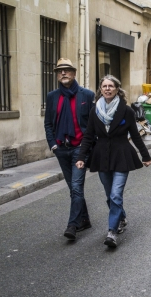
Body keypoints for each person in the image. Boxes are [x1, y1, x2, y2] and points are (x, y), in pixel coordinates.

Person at [76, 75, 151, 248]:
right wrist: (81, 157)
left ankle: (112, 231)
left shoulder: (127, 111)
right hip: (101, 156)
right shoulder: (95, 110)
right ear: (101, 89)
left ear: (117, 89)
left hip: (121, 155)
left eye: (111, 86)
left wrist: (145, 155)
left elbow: (135, 135)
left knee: (116, 194)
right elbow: (88, 136)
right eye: (104, 86)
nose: (108, 89)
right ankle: (121, 217)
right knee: (110, 194)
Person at [44, 58, 95, 241]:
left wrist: (88, 146)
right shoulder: (52, 96)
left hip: (80, 149)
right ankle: (85, 220)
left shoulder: (87, 95)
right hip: (62, 149)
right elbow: (48, 123)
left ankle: (72, 225)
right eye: (60, 71)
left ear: (74, 73)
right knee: (73, 188)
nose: (63, 73)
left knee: (76, 186)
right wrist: (53, 145)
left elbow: (92, 124)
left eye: (66, 70)